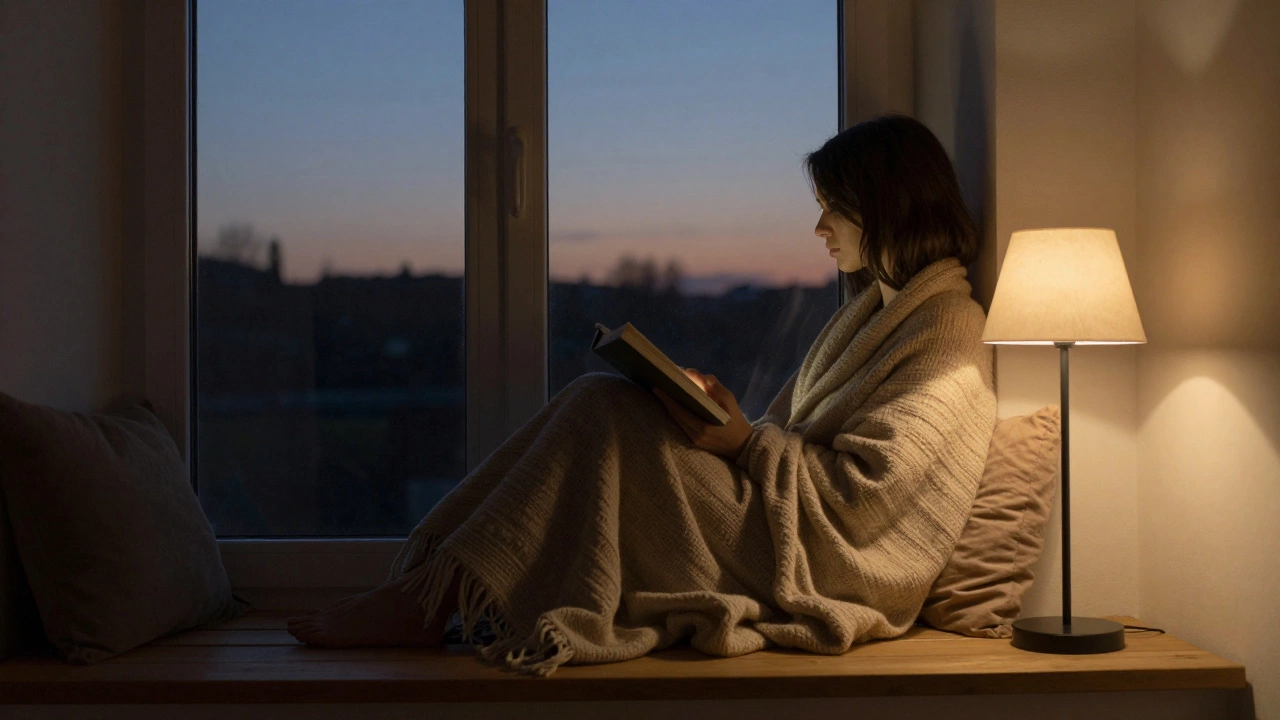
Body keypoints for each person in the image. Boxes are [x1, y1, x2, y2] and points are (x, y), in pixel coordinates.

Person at [287, 114, 997, 676]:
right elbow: (802, 438)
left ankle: (428, 598)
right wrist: (727, 425)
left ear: (888, 207)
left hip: (827, 563)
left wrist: (746, 442)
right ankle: (433, 587)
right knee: (602, 401)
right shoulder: (879, 310)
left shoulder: (946, 330)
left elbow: (869, 500)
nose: (818, 230)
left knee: (601, 405)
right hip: (786, 519)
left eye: (833, 210)